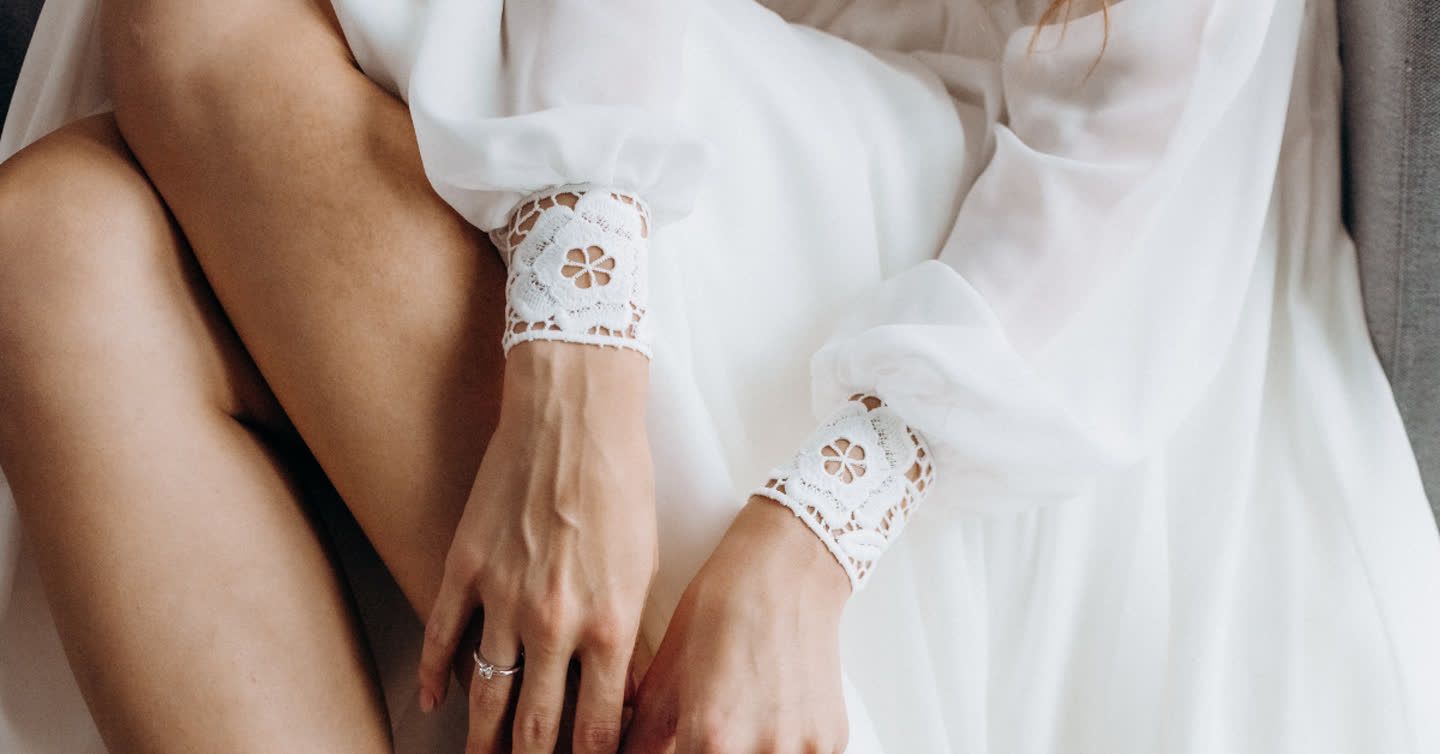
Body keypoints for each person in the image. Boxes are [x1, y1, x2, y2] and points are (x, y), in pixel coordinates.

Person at [2, 0, 1439, 752]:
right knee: (47, 246)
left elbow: (1148, 138)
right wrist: (573, 356)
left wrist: (817, 532)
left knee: (191, 30)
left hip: (1040, 292)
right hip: (679, 84)